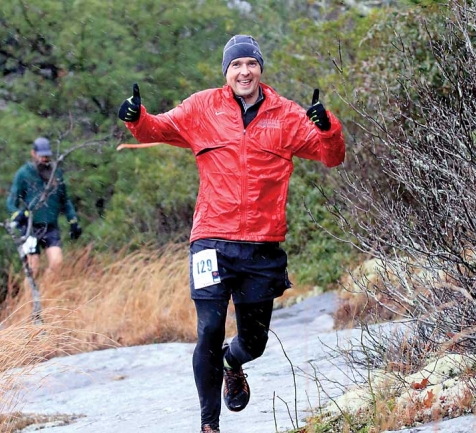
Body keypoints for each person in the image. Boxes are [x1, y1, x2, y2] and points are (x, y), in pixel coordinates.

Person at [118, 34, 345, 433]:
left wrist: (327, 128)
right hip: (211, 239)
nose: (244, 71)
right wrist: (136, 117)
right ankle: (209, 425)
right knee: (208, 328)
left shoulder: (287, 115)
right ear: (226, 71)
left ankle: (232, 362)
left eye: (251, 64)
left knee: (253, 343)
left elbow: (332, 156)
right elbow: (156, 129)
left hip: (261, 244)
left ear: (260, 69)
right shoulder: (201, 107)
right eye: (236, 65)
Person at [6, 137, 82, 278]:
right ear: (33, 154)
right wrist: (17, 215)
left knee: (57, 263)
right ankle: (30, 299)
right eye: (42, 156)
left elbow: (64, 200)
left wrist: (73, 221)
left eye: (47, 156)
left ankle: (46, 295)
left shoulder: (56, 173)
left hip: (50, 227)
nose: (45, 159)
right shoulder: (23, 173)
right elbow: (11, 202)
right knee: (32, 269)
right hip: (30, 228)